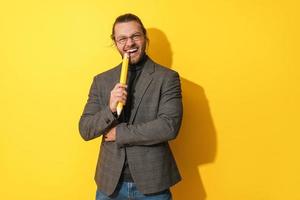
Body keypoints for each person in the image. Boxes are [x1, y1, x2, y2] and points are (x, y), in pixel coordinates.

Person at [79, 13, 183, 200]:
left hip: (153, 185)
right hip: (109, 184)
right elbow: (85, 129)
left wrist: (118, 134)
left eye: (135, 36)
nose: (130, 44)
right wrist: (110, 108)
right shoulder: (101, 81)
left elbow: (169, 126)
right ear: (116, 43)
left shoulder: (167, 78)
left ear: (144, 37)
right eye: (122, 39)